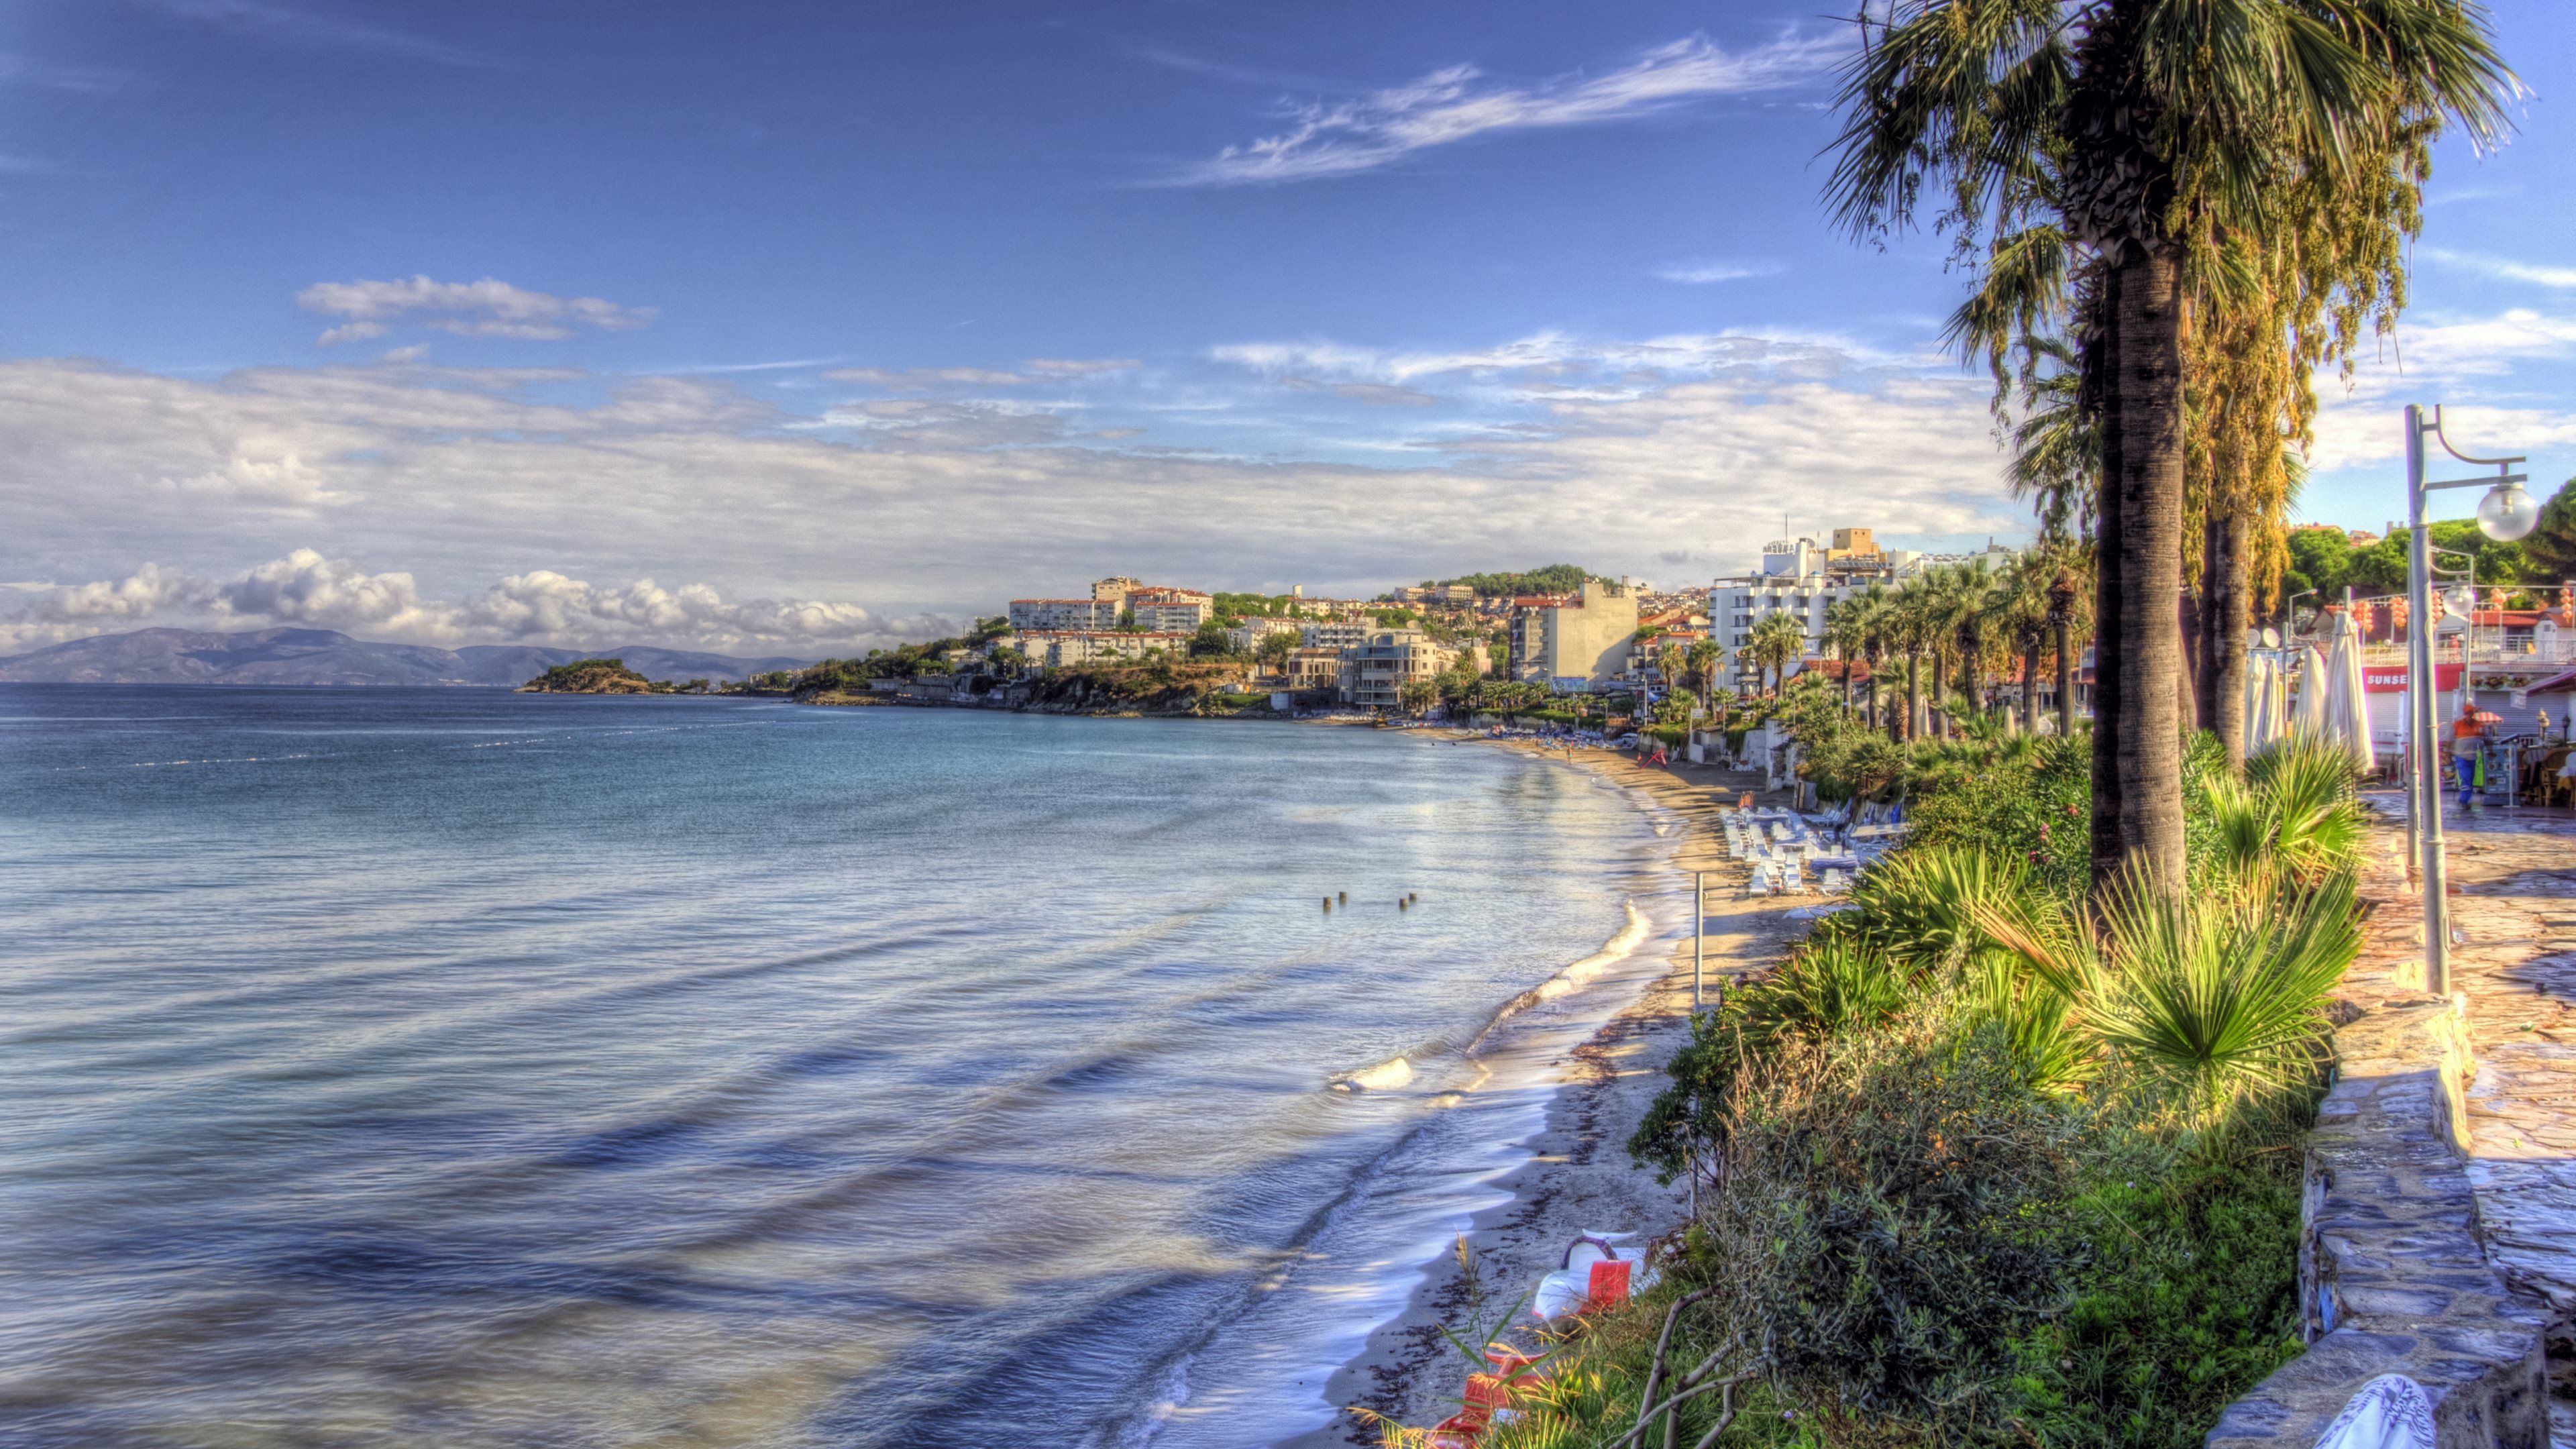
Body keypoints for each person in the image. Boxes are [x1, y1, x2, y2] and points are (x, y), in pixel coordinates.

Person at [2453, 712, 2485, 808]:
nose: (2469, 716)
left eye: (2471, 714)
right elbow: (2450, 737)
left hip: (2473, 757)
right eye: (2467, 714)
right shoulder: (2458, 724)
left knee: (2470, 779)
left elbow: (2483, 739)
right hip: (2461, 757)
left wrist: (2488, 749)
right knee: (2466, 778)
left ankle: (2464, 799)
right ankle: (2464, 801)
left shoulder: (2478, 725)